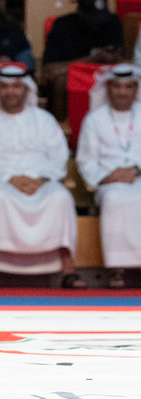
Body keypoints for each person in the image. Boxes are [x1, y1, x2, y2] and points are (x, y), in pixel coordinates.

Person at [0, 65, 83, 288]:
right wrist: (11, 178)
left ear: (26, 90)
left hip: (42, 181)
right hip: (0, 182)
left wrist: (41, 178)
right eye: (4, 87)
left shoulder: (44, 120)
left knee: (61, 197)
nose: (10, 92)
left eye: (16, 87)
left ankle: (68, 269)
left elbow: (59, 156)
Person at [76, 64, 141, 289]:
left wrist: (136, 171)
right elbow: (86, 160)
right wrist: (107, 176)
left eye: (129, 87)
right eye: (117, 86)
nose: (122, 92)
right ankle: (117, 269)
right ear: (108, 88)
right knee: (115, 198)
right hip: (108, 182)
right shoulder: (95, 119)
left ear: (136, 89)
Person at [41, 0, 124, 121]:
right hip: (73, 76)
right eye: (93, 18)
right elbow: (49, 71)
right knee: (61, 81)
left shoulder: (112, 22)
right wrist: (94, 58)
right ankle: (61, 129)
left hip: (104, 74)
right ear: (79, 11)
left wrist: (112, 58)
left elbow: (119, 61)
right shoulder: (62, 25)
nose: (98, 23)